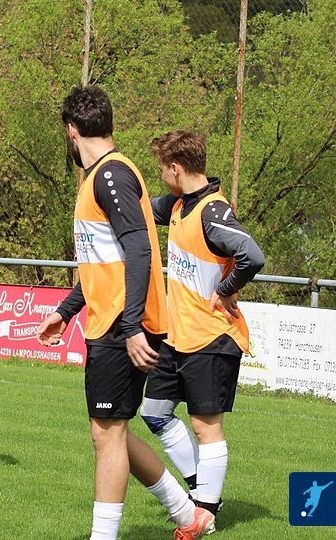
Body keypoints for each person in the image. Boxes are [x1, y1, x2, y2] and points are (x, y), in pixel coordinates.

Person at [35, 87, 213, 539]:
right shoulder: (104, 175)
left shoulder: (110, 175)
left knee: (107, 434)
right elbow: (105, 261)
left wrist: (132, 326)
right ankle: (187, 513)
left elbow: (138, 251)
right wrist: (67, 310)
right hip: (112, 321)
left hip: (122, 325)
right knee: (111, 430)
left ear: (71, 131)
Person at [139, 129, 265, 521]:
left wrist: (225, 290)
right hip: (177, 338)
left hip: (212, 336)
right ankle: (200, 491)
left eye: (162, 169)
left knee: (205, 426)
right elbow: (140, 209)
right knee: (154, 412)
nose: (162, 176)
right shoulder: (179, 205)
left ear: (176, 168)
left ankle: (205, 512)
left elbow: (252, 256)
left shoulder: (212, 211)